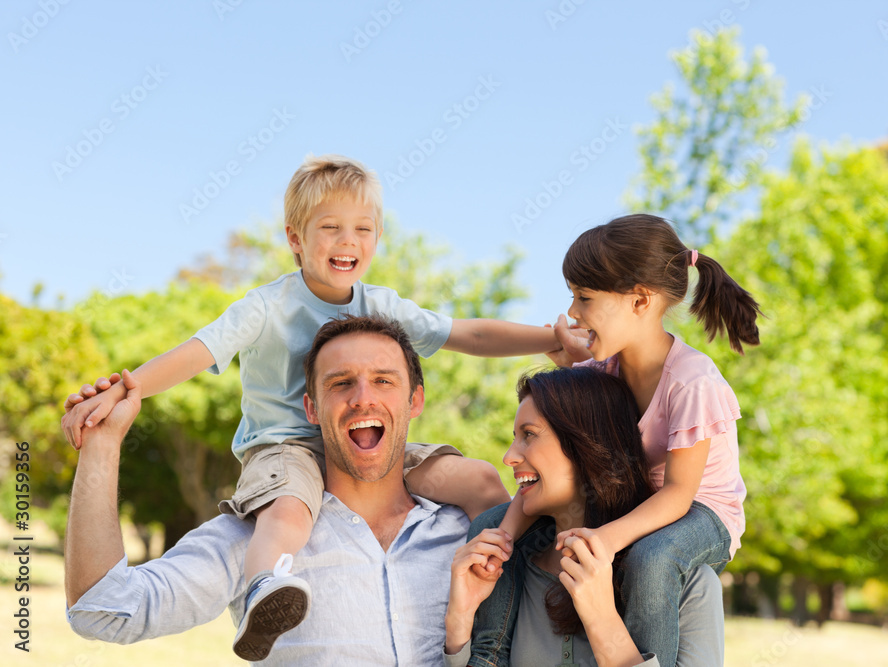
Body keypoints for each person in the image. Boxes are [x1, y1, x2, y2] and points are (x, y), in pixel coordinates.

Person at [60, 154, 584, 659]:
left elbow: (465, 331)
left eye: (362, 229)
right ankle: (268, 587)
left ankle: (508, 575)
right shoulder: (267, 306)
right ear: (295, 238)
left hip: (371, 470)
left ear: (414, 398)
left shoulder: (380, 305)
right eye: (330, 227)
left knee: (479, 481)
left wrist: (548, 339)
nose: (347, 241)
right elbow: (198, 353)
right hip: (283, 449)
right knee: (289, 513)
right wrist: (127, 393)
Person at [65, 314, 473, 665]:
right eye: (340, 383)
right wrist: (101, 446)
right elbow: (103, 610)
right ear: (311, 408)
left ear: (414, 400)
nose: (363, 398)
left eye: (383, 380)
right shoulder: (261, 536)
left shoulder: (465, 531)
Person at [483, 213, 760, 665]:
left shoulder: (692, 382)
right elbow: (557, 461)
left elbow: (677, 496)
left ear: (640, 301)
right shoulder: (600, 372)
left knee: (651, 559)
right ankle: (487, 655)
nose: (573, 311)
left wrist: (606, 539)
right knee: (490, 522)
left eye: (585, 297)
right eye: (572, 296)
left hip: (703, 513)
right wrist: (506, 536)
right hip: (639, 501)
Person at [444, 367, 725, 667]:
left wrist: (602, 620)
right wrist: (459, 620)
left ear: (588, 444)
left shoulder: (690, 586)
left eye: (529, 435)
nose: (509, 456)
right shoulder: (507, 576)